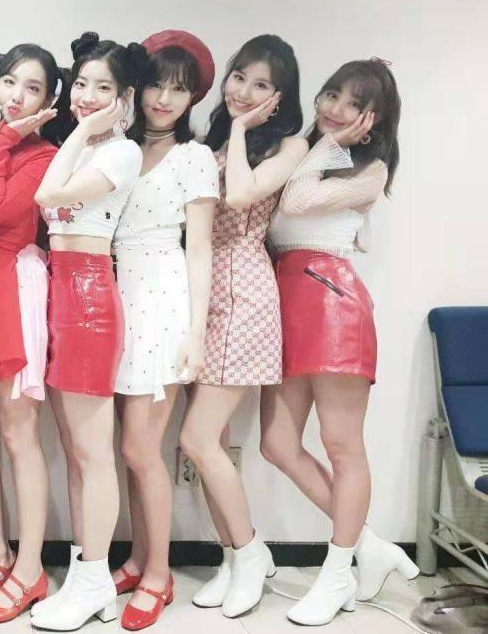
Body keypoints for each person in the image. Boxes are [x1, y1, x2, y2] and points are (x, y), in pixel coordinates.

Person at [262, 58, 416, 625]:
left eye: (354, 104)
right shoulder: (300, 154)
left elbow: (297, 204)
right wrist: (316, 148)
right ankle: (369, 547)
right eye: (332, 94)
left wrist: (327, 146)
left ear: (372, 121)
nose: (336, 109)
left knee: (342, 445)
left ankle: (335, 574)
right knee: (277, 444)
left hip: (333, 306)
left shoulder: (369, 172)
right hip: (286, 306)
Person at [180, 34, 307, 618]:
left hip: (244, 294)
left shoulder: (289, 145)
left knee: (197, 439)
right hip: (202, 292)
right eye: (239, 77)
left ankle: (253, 553)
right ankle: (233, 558)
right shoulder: (206, 141)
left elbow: (241, 196)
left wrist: (235, 130)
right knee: (212, 443)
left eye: (261, 84)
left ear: (280, 97)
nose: (244, 91)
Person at [29, 32, 146, 631]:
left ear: (125, 99)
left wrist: (82, 130)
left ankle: (95, 577)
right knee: (76, 451)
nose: (87, 96)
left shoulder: (121, 152)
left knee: (93, 452)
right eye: (81, 84)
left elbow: (46, 195)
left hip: (90, 297)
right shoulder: (78, 149)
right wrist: (78, 134)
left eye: (104, 88)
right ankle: (86, 574)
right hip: (59, 291)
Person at [110, 30, 218, 630]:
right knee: (127, 449)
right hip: (116, 295)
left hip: (162, 297)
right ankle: (137, 557)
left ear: (192, 98)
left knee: (140, 447)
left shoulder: (193, 158)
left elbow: (198, 249)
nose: (163, 99)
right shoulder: (120, 148)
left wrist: (196, 334)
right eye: (155, 84)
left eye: (178, 89)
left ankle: (159, 573)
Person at [0, 44, 65, 625]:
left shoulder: (43, 154)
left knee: (18, 433)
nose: (16, 96)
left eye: (32, 87)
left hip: (13, 288)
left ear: (48, 101)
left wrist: (2, 140)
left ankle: (30, 569)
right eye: (9, 82)